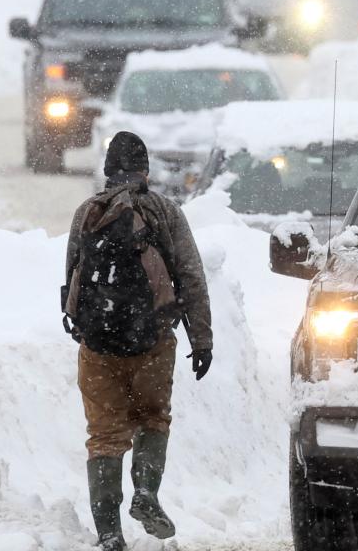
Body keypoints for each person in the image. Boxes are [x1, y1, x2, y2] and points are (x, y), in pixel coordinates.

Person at [62, 131, 213, 551]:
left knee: (104, 435)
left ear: (108, 170)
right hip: (152, 343)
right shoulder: (163, 211)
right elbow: (191, 278)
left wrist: (82, 324)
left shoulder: (87, 212)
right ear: (145, 170)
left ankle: (109, 532)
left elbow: (71, 274)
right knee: (152, 418)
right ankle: (146, 492)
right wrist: (201, 339)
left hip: (99, 346)